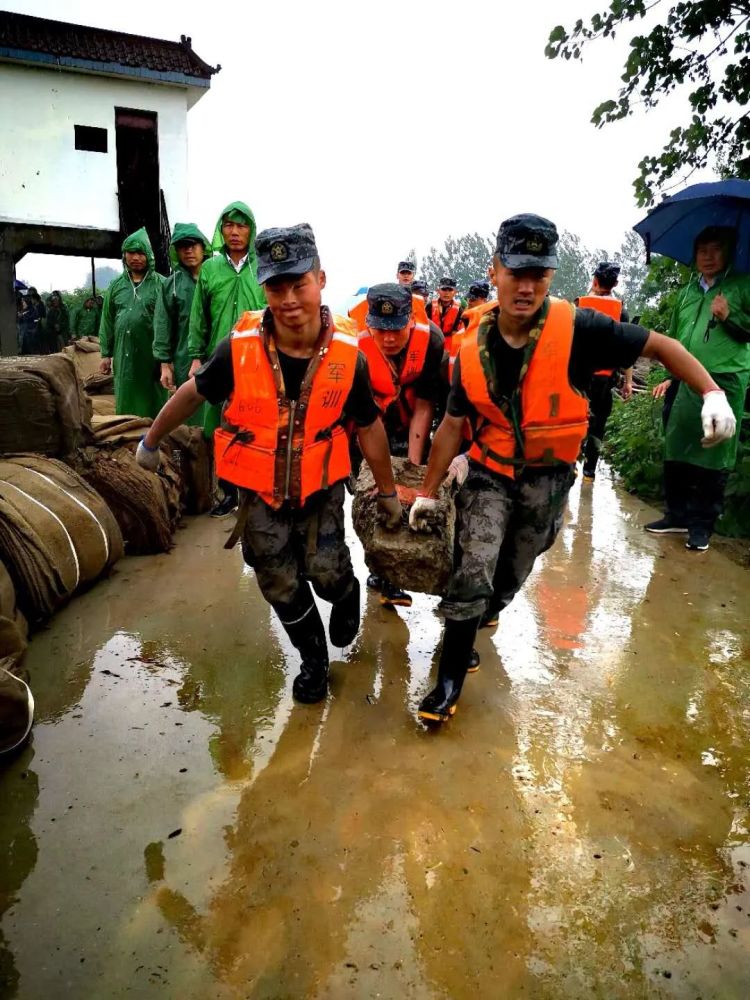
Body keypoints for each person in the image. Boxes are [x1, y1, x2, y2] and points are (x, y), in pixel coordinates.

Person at [408, 213, 737, 724]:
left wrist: (712, 392)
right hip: (490, 471)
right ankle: (448, 677)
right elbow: (451, 425)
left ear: (551, 276)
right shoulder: (471, 346)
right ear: (494, 272)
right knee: (474, 561)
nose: (527, 286)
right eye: (516, 272)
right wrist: (428, 491)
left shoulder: (579, 328)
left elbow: (661, 347)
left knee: (516, 567)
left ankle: (486, 610)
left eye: (539, 274)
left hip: (547, 478)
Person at [136, 224, 402, 704]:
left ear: (320, 280)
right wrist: (152, 439)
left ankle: (346, 594)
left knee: (326, 570)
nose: (288, 298)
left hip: (320, 488)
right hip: (257, 492)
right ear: (264, 287)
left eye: (299, 283)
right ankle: (314, 660)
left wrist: (386, 493)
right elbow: (194, 392)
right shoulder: (237, 351)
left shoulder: (349, 357)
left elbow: (369, 427)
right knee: (277, 579)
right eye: (276, 286)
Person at [647, 225, 750, 550]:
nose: (707, 256)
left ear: (728, 252)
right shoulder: (688, 292)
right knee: (676, 445)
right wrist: (670, 375)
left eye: (715, 249)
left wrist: (730, 316)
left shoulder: (742, 286)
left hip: (725, 379)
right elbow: (675, 340)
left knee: (714, 451)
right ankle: (676, 515)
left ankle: (701, 526)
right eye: (702, 249)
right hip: (686, 379)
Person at [357, 282, 444, 608]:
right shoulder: (355, 345)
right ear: (369, 323)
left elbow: (425, 407)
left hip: (410, 423)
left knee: (411, 493)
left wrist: (413, 466)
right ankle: (380, 573)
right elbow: (362, 417)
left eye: (396, 330)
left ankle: (394, 575)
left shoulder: (432, 341)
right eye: (380, 330)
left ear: (411, 319)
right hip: (368, 426)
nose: (389, 338)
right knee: (376, 498)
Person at [188, 201, 266, 517]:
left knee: (256, 422)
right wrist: (196, 357)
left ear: (252, 230)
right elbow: (199, 318)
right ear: (221, 230)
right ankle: (229, 492)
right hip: (220, 360)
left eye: (241, 225)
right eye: (229, 226)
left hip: (258, 359)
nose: (234, 232)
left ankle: (257, 489)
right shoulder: (210, 269)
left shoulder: (262, 268)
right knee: (221, 425)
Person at [98, 228, 166, 418]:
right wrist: (106, 353)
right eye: (131, 253)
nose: (136, 257)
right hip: (123, 353)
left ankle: (154, 438)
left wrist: (167, 359)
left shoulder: (162, 284)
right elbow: (108, 320)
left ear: (149, 256)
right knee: (126, 393)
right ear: (124, 255)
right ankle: (128, 436)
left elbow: (169, 323)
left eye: (140, 253)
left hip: (152, 354)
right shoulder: (116, 286)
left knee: (153, 397)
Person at [576, 261, 634, 482]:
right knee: (597, 427)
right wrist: (628, 382)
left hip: (578, 380)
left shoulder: (579, 305)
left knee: (575, 421)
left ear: (595, 280)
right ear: (616, 283)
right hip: (605, 382)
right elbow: (626, 351)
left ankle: (570, 465)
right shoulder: (622, 313)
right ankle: (589, 474)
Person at [153, 223, 211, 426]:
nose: (189, 250)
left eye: (193, 245)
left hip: (216, 353)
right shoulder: (172, 284)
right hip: (184, 358)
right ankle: (188, 455)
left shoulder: (216, 276)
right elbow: (163, 324)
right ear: (176, 251)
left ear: (204, 247)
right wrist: (165, 364)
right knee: (190, 413)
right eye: (182, 246)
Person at [427, 276, 465, 350]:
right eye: (444, 289)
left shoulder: (459, 310)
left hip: (449, 347)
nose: (446, 293)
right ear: (438, 291)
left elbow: (458, 333)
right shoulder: (429, 306)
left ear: (455, 292)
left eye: (450, 290)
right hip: (431, 344)